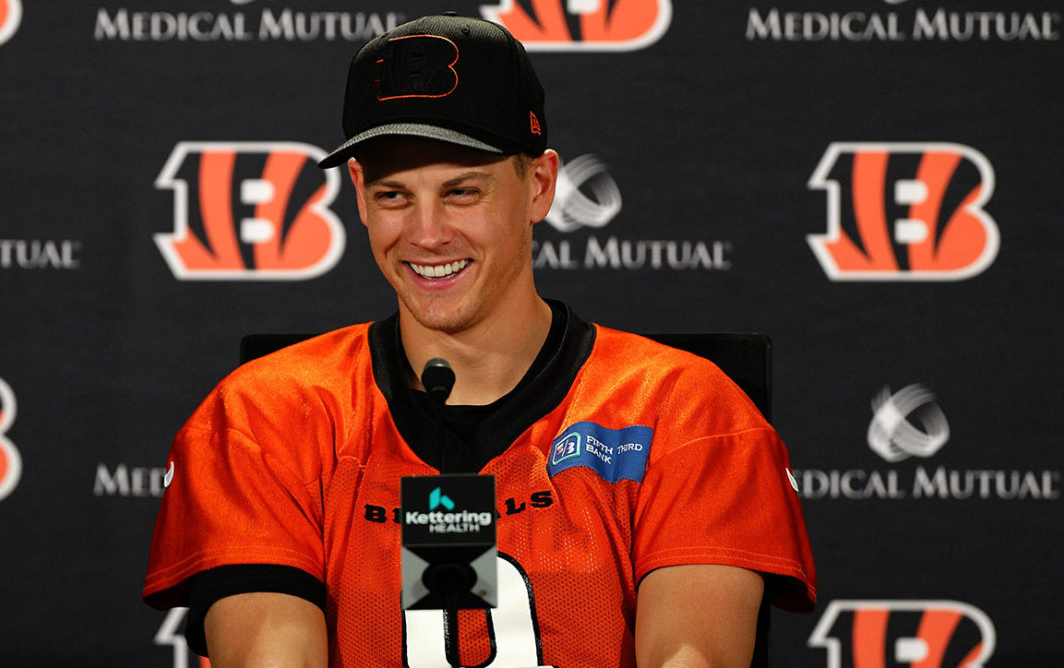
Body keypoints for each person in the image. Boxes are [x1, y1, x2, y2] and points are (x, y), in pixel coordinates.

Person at [143, 13, 816, 668]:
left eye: (462, 192)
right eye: (394, 195)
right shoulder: (260, 419)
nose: (427, 233)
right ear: (357, 193)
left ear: (540, 186)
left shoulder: (688, 413)